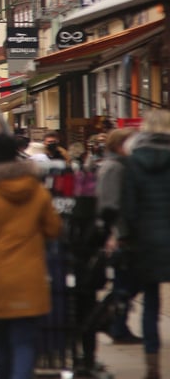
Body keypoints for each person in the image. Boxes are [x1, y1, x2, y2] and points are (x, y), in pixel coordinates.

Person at [0, 135, 61, 379]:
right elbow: (54, 229)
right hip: (30, 277)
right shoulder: (36, 190)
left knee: (0, 342)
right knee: (25, 343)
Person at [119, 109, 170, 379]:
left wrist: (126, 237)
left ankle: (152, 365)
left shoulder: (134, 161)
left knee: (150, 301)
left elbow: (129, 206)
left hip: (146, 239)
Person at [96, 127, 142, 344]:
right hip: (121, 235)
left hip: (127, 233)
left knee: (128, 282)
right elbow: (109, 204)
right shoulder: (114, 167)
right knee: (126, 282)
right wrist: (117, 233)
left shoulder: (123, 166)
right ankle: (112, 323)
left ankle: (113, 322)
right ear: (118, 145)